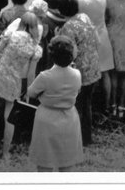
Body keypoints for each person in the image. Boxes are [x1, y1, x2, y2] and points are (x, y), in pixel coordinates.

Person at [0, 12, 42, 161]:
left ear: (21, 23)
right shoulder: (35, 47)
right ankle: (6, 153)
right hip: (15, 79)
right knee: (9, 116)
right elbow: (31, 74)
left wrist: (6, 58)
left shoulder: (11, 35)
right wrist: (29, 92)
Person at [26, 35, 83, 172]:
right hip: (69, 118)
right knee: (67, 163)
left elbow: (31, 92)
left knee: (45, 164)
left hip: (46, 119)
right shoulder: (76, 74)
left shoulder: (45, 76)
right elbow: (78, 90)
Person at [55, 0, 101, 147]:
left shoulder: (67, 27)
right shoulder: (84, 17)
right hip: (93, 67)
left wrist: (57, 36)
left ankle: (74, 138)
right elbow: (97, 39)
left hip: (80, 71)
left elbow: (69, 52)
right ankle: (86, 137)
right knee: (87, 104)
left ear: (61, 10)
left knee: (76, 105)